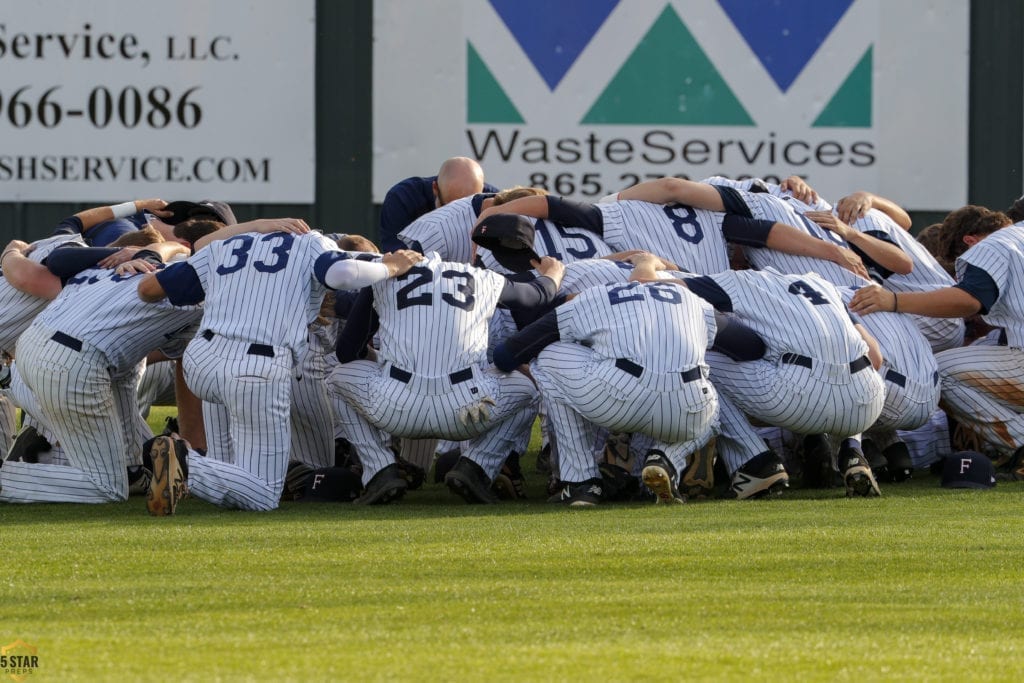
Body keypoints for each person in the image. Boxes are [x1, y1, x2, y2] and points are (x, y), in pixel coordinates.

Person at [138, 219, 423, 514]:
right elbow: (342, 273)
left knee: (229, 467)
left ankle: (199, 471)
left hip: (202, 361)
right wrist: (391, 267)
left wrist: (254, 233)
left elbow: (148, 289)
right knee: (263, 494)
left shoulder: (225, 245)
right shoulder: (312, 242)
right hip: (256, 366)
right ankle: (183, 462)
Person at [328, 228, 565, 505]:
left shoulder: (386, 276)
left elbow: (347, 353)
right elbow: (535, 296)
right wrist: (553, 275)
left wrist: (382, 361)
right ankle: (476, 467)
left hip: (393, 405)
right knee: (528, 388)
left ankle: (380, 469)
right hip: (469, 409)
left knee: (337, 378)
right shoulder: (482, 276)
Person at [0, 238, 195, 504]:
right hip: (67, 362)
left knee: (103, 447)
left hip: (35, 346)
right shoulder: (190, 281)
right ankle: (15, 474)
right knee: (108, 487)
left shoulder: (109, 264)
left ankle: (130, 471)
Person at [850, 208, 1024, 471]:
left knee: (939, 371)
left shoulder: (996, 244)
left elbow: (968, 301)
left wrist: (894, 300)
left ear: (970, 242)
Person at [380, 157, 497, 252]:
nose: (457, 218)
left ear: (482, 191)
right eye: (449, 209)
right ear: (435, 188)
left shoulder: (494, 202)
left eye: (468, 210)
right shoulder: (403, 198)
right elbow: (396, 260)